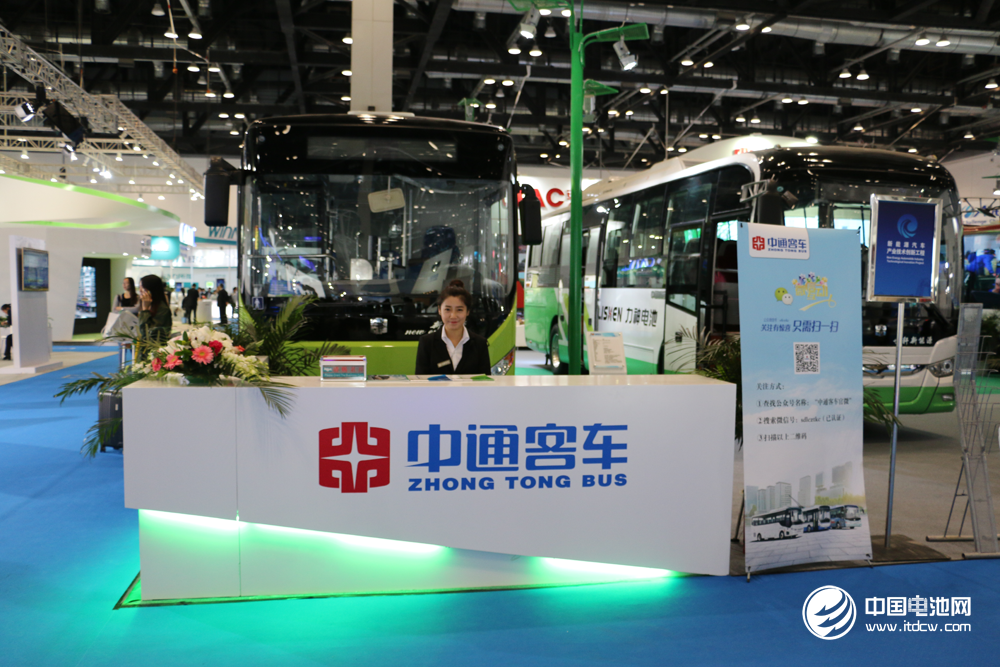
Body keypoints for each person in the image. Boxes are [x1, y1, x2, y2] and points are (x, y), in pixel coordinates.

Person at [415, 280, 491, 375]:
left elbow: (485, 380)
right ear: (439, 310)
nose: (453, 316)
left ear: (467, 311)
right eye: (447, 309)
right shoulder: (427, 342)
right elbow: (420, 380)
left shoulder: (480, 344)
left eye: (459, 310)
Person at [138, 275, 172, 347]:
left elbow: (147, 333)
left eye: (142, 287)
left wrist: (145, 310)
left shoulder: (162, 309)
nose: (140, 290)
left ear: (151, 290)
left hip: (154, 349)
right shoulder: (149, 305)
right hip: (146, 348)